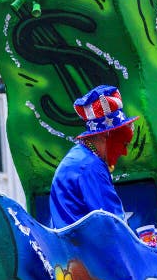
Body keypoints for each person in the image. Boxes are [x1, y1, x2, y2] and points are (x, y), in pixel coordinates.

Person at [49, 85, 136, 228]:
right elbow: (115, 226)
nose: (124, 152)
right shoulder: (90, 166)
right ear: (106, 135)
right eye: (123, 144)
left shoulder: (79, 157)